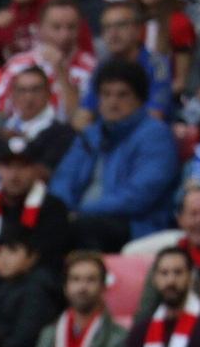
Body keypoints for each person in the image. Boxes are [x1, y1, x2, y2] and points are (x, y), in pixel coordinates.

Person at [51, 59, 182, 249]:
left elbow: (138, 196)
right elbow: (64, 178)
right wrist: (60, 210)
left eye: (123, 95)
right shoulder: (91, 134)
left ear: (140, 99)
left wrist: (81, 212)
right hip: (81, 217)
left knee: (83, 228)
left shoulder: (156, 136)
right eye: (106, 94)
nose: (113, 102)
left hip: (136, 224)